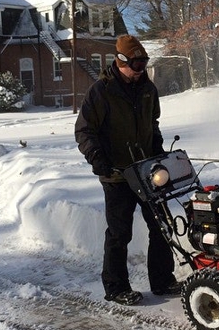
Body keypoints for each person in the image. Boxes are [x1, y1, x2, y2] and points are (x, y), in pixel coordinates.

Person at [74, 35, 181, 306]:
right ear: (120, 61)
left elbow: (152, 124)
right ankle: (116, 287)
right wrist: (97, 158)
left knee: (161, 225)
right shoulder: (101, 91)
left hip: (147, 171)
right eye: (135, 64)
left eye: (143, 64)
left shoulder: (148, 89)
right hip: (116, 173)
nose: (140, 70)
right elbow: (84, 131)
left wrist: (158, 150)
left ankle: (162, 279)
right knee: (120, 232)